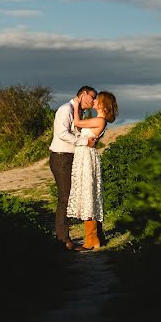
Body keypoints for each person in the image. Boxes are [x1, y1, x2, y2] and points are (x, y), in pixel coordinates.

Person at [49, 86, 98, 251]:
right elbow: (62, 133)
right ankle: (64, 240)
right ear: (83, 94)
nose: (94, 100)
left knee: (70, 196)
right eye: (93, 96)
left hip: (71, 157)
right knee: (65, 197)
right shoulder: (65, 109)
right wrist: (85, 142)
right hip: (61, 157)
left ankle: (67, 238)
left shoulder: (78, 112)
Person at [67, 91, 118, 250]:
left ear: (103, 104)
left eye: (97, 99)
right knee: (86, 195)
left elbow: (76, 122)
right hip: (85, 155)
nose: (94, 101)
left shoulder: (100, 120)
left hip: (86, 157)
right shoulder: (98, 119)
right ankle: (92, 238)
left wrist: (76, 105)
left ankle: (92, 239)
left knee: (87, 195)